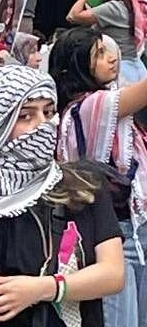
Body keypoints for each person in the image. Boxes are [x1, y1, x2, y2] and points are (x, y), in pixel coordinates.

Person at [0, 65, 124, 326]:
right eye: (26, 116)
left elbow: (113, 273)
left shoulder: (84, 185)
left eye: (48, 112)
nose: (42, 124)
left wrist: (44, 288)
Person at [50, 27, 147, 326]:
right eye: (99, 55)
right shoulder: (89, 106)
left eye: (108, 51)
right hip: (110, 230)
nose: (112, 59)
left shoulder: (101, 99)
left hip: (132, 224)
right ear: (78, 65)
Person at [67, 0, 147, 85]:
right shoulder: (137, 4)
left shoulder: (113, 8)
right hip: (138, 67)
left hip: (120, 68)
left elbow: (73, 16)